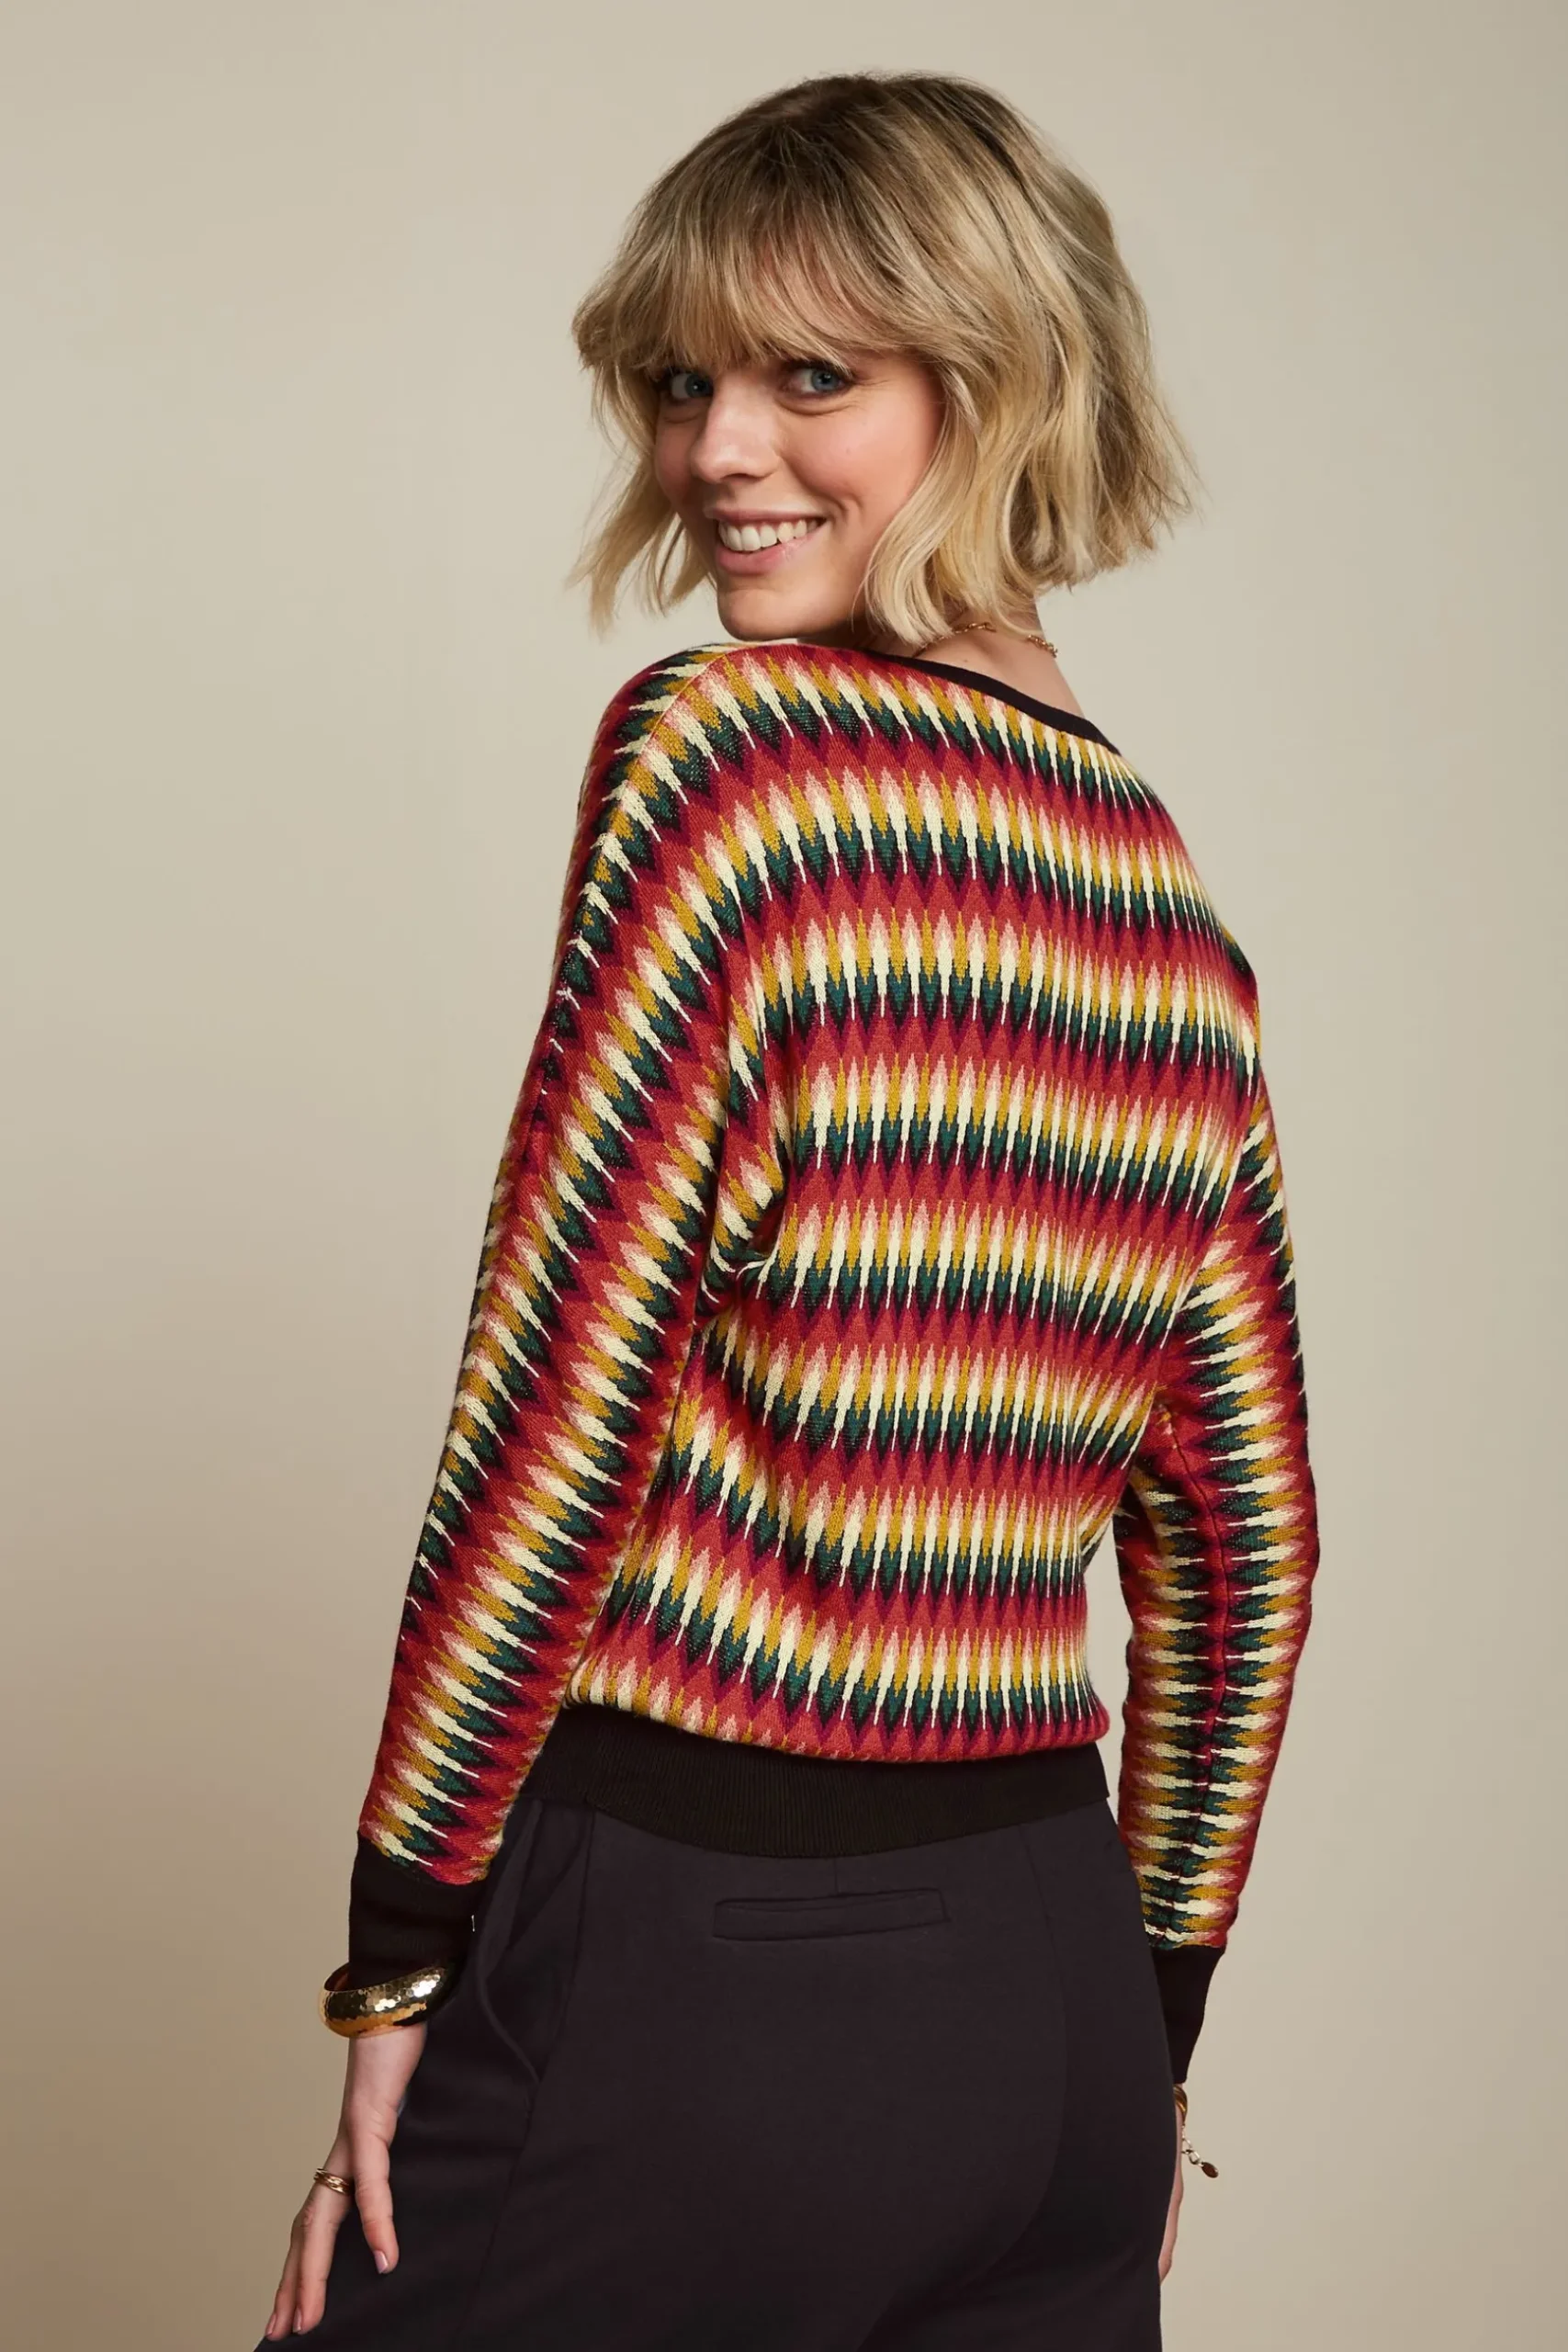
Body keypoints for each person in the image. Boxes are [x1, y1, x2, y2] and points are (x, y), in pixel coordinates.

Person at [260, 70, 1317, 2351]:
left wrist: (400, 1940)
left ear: (1002, 384)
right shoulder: (1172, 906)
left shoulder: (729, 762)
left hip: (708, 1973)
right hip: (1055, 2004)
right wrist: (1147, 2008)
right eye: (681, 384)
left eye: (811, 375)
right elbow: (1244, 1536)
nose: (718, 449)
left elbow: (562, 1396)